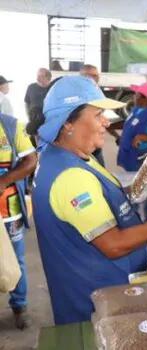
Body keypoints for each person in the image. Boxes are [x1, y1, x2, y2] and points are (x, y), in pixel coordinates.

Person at [32, 76, 147, 325]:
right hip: (101, 309)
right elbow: (114, 244)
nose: (106, 122)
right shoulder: (71, 177)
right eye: (98, 115)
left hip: (103, 296)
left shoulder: (66, 157)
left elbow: (100, 199)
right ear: (67, 124)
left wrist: (143, 186)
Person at [0, 100, 38, 329]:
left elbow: (31, 160)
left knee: (16, 259)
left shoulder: (10, 125)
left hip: (9, 210)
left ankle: (19, 304)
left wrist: (4, 181)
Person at [112, 82, 147, 221]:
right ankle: (134, 218)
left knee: (146, 190)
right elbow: (128, 124)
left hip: (142, 159)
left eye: (137, 94)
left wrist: (143, 137)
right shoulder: (136, 109)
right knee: (133, 190)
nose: (134, 96)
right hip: (130, 158)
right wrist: (113, 130)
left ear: (145, 98)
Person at [80, 64, 106, 166]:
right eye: (88, 75)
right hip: (82, 145)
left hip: (95, 144)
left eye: (95, 75)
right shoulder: (76, 94)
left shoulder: (98, 92)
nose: (92, 79)